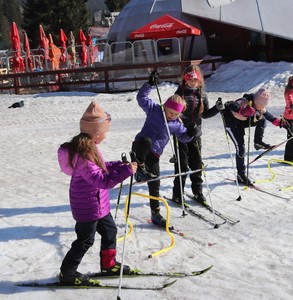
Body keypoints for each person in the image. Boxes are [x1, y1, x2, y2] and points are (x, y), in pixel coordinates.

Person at [57, 101, 137, 286]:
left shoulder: (90, 147)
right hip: (87, 207)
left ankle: (108, 265)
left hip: (99, 205)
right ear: (96, 133)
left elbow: (101, 167)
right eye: (105, 132)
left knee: (110, 231)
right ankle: (67, 272)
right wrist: (126, 172)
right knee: (85, 240)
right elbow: (102, 181)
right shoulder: (83, 155)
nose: (106, 135)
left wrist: (119, 165)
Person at [132, 71, 195, 227]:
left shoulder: (176, 124)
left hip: (154, 155)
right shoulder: (154, 110)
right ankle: (139, 170)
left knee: (155, 182)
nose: (172, 116)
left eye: (176, 114)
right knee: (146, 140)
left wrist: (192, 133)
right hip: (139, 148)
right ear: (165, 107)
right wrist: (150, 84)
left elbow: (183, 138)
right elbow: (141, 98)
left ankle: (155, 213)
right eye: (171, 112)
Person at [171, 65, 219, 207]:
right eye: (190, 79)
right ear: (185, 80)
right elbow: (173, 114)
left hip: (196, 134)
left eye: (195, 80)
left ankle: (198, 191)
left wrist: (217, 108)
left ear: (199, 81)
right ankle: (177, 193)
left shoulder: (202, 94)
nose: (193, 82)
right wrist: (183, 126)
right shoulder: (180, 94)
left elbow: (204, 114)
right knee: (182, 166)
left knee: (197, 165)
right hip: (181, 134)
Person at [220, 88, 285, 185]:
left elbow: (268, 115)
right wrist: (241, 110)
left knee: (262, 118)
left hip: (241, 123)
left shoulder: (259, 105)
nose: (261, 107)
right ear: (255, 101)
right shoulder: (244, 102)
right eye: (260, 105)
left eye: (263, 106)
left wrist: (280, 123)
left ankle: (258, 142)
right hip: (232, 124)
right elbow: (230, 104)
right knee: (240, 148)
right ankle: (241, 174)